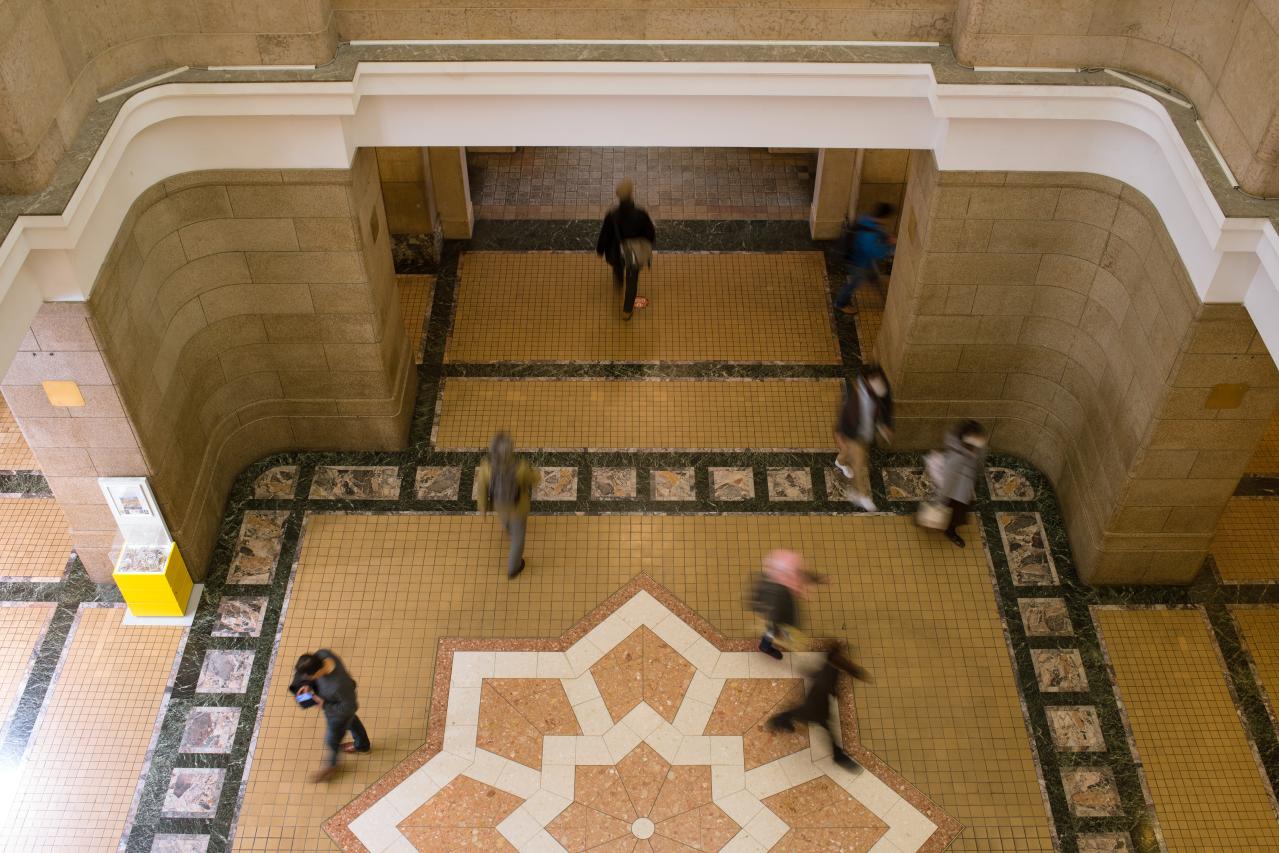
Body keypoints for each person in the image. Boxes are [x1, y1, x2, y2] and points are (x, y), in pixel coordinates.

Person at [767, 642, 871, 770]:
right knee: (822, 726)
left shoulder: (830, 668)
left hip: (816, 706)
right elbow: (828, 681)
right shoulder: (830, 672)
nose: (845, 659)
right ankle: (838, 756)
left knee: (799, 714)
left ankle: (779, 721)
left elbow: (822, 677)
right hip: (816, 708)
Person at [288, 649, 370, 782]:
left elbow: (350, 707)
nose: (308, 679)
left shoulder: (337, 685)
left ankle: (331, 766)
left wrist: (323, 703)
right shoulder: (323, 655)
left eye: (310, 677)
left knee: (332, 740)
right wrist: (308, 685)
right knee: (351, 721)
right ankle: (362, 745)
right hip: (340, 701)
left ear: (318, 672)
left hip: (338, 713)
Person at [474, 431, 541, 578]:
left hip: (499, 505)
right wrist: (535, 472)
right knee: (518, 538)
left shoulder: (486, 468)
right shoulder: (520, 467)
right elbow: (534, 478)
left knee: (506, 520)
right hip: (518, 507)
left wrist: (483, 507)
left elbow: (481, 489)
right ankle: (514, 567)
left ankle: (507, 528)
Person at [834, 364, 894, 511]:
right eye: (873, 379)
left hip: (866, 433)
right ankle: (861, 495)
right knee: (860, 465)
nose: (877, 382)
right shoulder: (855, 396)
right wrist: (839, 432)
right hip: (854, 434)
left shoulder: (880, 388)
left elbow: (886, 404)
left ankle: (840, 461)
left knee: (848, 452)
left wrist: (885, 424)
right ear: (866, 381)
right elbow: (844, 414)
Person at [596, 179, 656, 320]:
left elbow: (605, 234)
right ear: (630, 194)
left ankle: (618, 285)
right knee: (632, 279)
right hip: (634, 254)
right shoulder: (641, 214)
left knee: (617, 268)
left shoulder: (612, 215)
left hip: (616, 252)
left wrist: (600, 250)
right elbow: (650, 233)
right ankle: (627, 311)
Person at [750, 549, 819, 660]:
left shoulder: (772, 576)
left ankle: (768, 642)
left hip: (776, 610)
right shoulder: (779, 592)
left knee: (775, 628)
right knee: (773, 629)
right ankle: (765, 646)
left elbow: (802, 574)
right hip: (777, 613)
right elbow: (776, 614)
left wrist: (819, 579)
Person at [834, 203, 896, 316]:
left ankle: (883, 296)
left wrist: (886, 238)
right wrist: (889, 246)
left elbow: (877, 232)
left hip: (861, 258)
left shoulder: (866, 219)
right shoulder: (869, 234)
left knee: (872, 276)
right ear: (884, 218)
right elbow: (875, 252)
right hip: (857, 261)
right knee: (855, 283)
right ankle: (840, 303)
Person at [937, 420, 988, 548]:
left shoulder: (975, 448)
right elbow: (948, 479)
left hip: (963, 487)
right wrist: (942, 497)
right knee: (954, 511)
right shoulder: (957, 456)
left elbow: (978, 463)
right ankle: (949, 530)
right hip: (954, 489)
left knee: (956, 510)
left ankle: (947, 526)